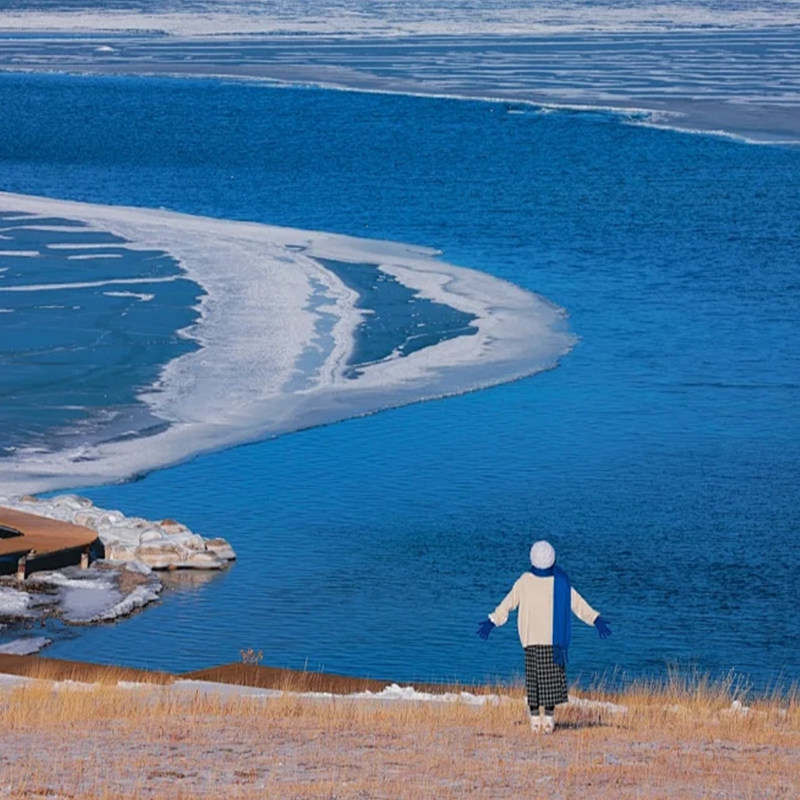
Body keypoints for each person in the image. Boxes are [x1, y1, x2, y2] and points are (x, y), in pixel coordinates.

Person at [477, 539, 611, 734]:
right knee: (550, 683)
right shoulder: (561, 582)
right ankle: (547, 720)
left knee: (535, 683)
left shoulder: (526, 580)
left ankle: (537, 721)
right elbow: (578, 604)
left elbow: (508, 603)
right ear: (552, 559)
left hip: (532, 640)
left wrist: (493, 620)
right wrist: (595, 618)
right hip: (552, 642)